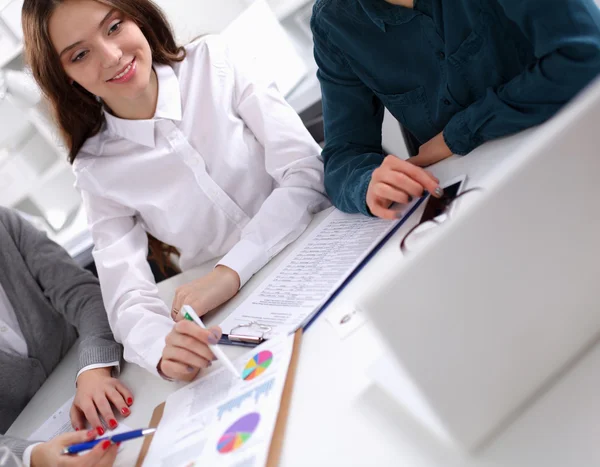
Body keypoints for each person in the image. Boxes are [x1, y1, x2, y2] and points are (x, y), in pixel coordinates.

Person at [22, 0, 329, 382]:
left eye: (114, 27)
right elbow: (126, 299)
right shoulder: (96, 169)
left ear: (137, 15)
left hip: (324, 247)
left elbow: (305, 173)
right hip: (243, 312)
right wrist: (161, 348)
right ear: (65, 75)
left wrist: (229, 271)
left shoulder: (214, 62)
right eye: (81, 54)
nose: (112, 56)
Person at [311, 0, 600, 219]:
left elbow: (585, 55)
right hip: (483, 207)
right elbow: (343, 157)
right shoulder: (333, 22)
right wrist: (367, 184)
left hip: (578, 149)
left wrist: (458, 134)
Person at [0, 207, 132, 466]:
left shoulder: (5, 225)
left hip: (97, 385)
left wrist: (93, 368)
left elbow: (83, 295)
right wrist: (31, 456)